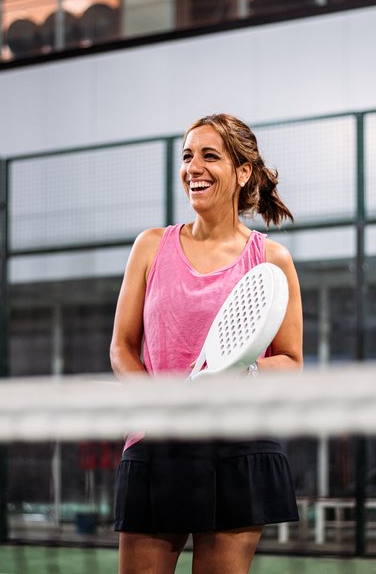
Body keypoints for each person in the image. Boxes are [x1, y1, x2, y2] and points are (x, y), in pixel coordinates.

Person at [110, 113, 303, 574]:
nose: (193, 167)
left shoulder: (272, 259)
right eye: (187, 156)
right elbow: (121, 347)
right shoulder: (151, 246)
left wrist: (240, 375)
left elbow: (292, 361)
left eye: (209, 156)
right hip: (158, 442)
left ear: (242, 172)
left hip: (239, 445)